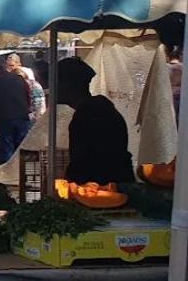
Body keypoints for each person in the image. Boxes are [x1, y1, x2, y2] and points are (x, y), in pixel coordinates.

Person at [57, 57, 135, 186]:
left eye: (56, 82)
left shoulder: (90, 114)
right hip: (112, 183)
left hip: (104, 187)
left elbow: (85, 161)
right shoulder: (95, 109)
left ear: (67, 85)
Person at [0, 54, 32, 163]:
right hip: (22, 117)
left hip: (3, 119)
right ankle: (21, 170)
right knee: (22, 148)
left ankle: (9, 171)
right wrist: (25, 110)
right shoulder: (20, 79)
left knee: (7, 149)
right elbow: (28, 97)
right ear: (5, 66)